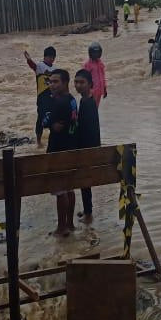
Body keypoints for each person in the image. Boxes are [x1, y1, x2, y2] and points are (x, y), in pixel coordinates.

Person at [43, 69, 78, 236]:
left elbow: (45, 122)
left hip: (58, 150)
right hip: (70, 148)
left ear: (65, 83)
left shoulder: (58, 102)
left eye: (55, 81)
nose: (52, 85)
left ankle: (61, 227)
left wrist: (49, 121)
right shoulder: (72, 100)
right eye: (50, 81)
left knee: (60, 191)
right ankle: (70, 224)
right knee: (69, 188)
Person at [74, 69, 101, 224]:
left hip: (87, 149)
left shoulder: (87, 103)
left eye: (82, 82)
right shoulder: (86, 100)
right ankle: (87, 210)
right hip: (89, 148)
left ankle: (89, 214)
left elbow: (88, 129)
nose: (78, 85)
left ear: (90, 84)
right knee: (84, 183)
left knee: (84, 181)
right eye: (76, 82)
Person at [25, 46, 56, 147]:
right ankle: (38, 141)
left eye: (53, 57)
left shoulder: (55, 69)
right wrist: (28, 59)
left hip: (52, 97)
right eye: (49, 57)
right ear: (45, 57)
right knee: (41, 118)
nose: (51, 59)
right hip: (42, 97)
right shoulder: (40, 66)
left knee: (53, 117)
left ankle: (52, 139)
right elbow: (32, 65)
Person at [81, 42, 107, 107]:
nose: (96, 55)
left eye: (97, 53)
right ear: (90, 53)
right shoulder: (87, 64)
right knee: (91, 107)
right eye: (94, 53)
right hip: (91, 91)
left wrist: (104, 88)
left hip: (99, 90)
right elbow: (84, 77)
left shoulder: (100, 63)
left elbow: (103, 76)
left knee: (96, 107)